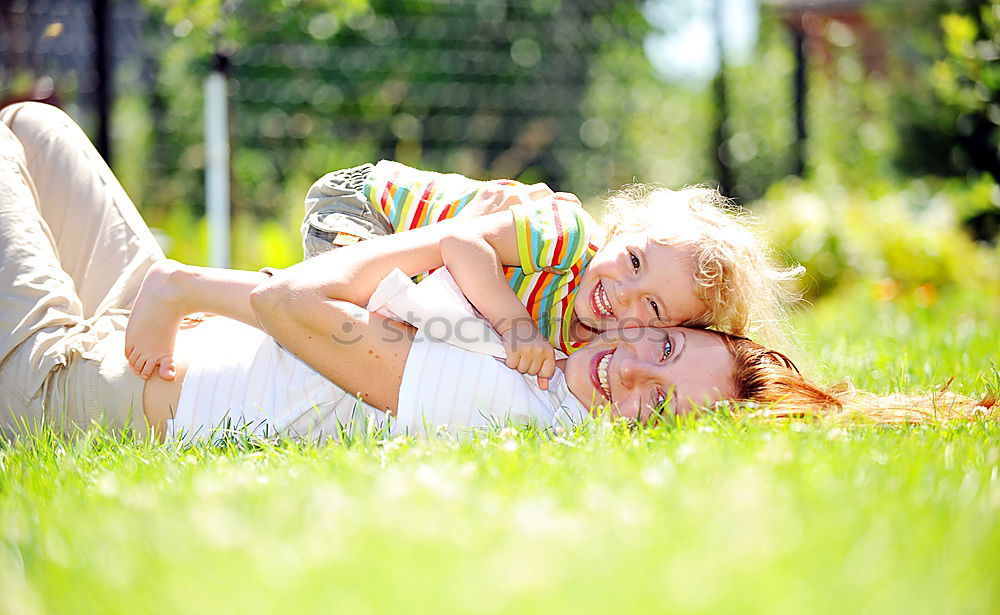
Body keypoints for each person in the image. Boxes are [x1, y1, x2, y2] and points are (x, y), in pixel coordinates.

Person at [0, 101, 758, 440]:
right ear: (621, 230)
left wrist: (184, 287)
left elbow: (295, 303)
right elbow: (451, 254)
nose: (629, 357)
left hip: (92, 389)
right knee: (32, 128)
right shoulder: (552, 279)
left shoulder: (516, 403)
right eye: (656, 349)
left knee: (17, 134)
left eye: (656, 320)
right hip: (343, 214)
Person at [286, 161, 803, 390]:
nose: (622, 294)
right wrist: (515, 325)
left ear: (669, 331)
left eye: (651, 307)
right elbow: (461, 244)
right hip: (367, 207)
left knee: (386, 330)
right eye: (635, 262)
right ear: (623, 229)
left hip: (408, 272)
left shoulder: (588, 340)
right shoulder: (568, 236)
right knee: (341, 300)